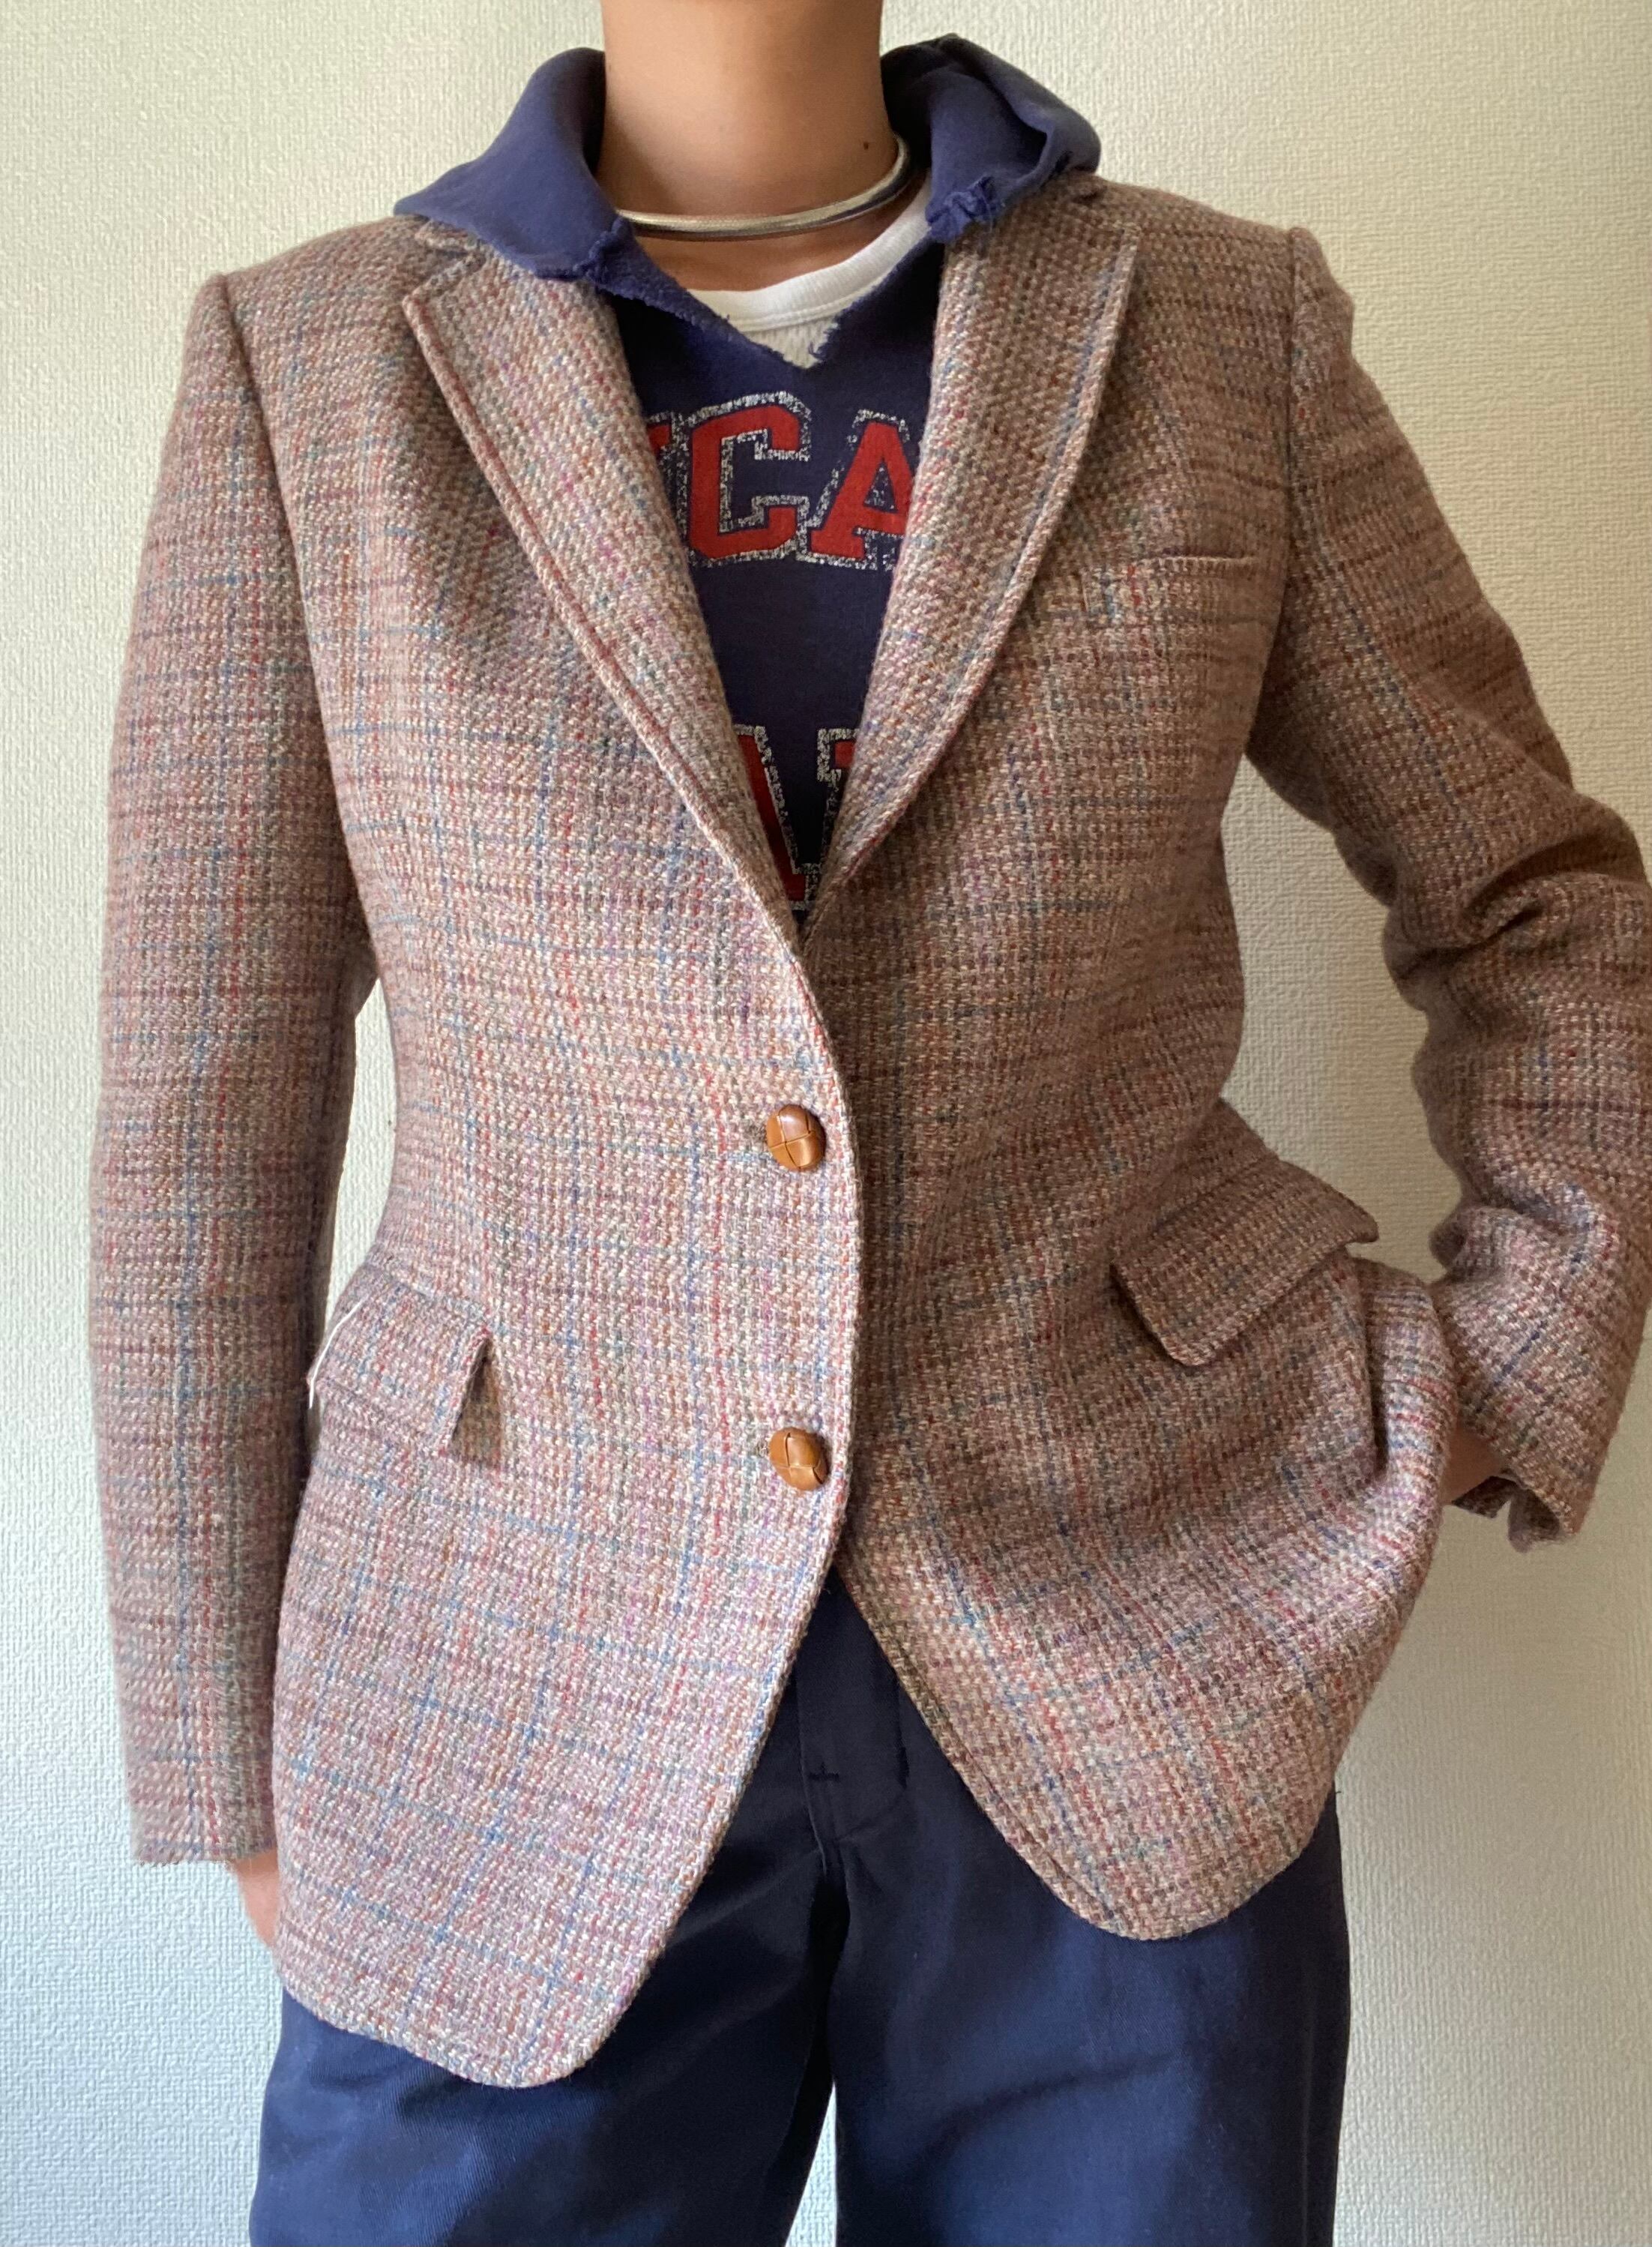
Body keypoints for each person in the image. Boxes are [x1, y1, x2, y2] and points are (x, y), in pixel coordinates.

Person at [85, 4, 1652, 2244]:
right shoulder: (312, 371)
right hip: (499, 1691)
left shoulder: (1217, 331)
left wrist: (1514, 1363)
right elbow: (202, 1103)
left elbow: (1536, 904)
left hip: (1129, 1647)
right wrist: (217, 1742)